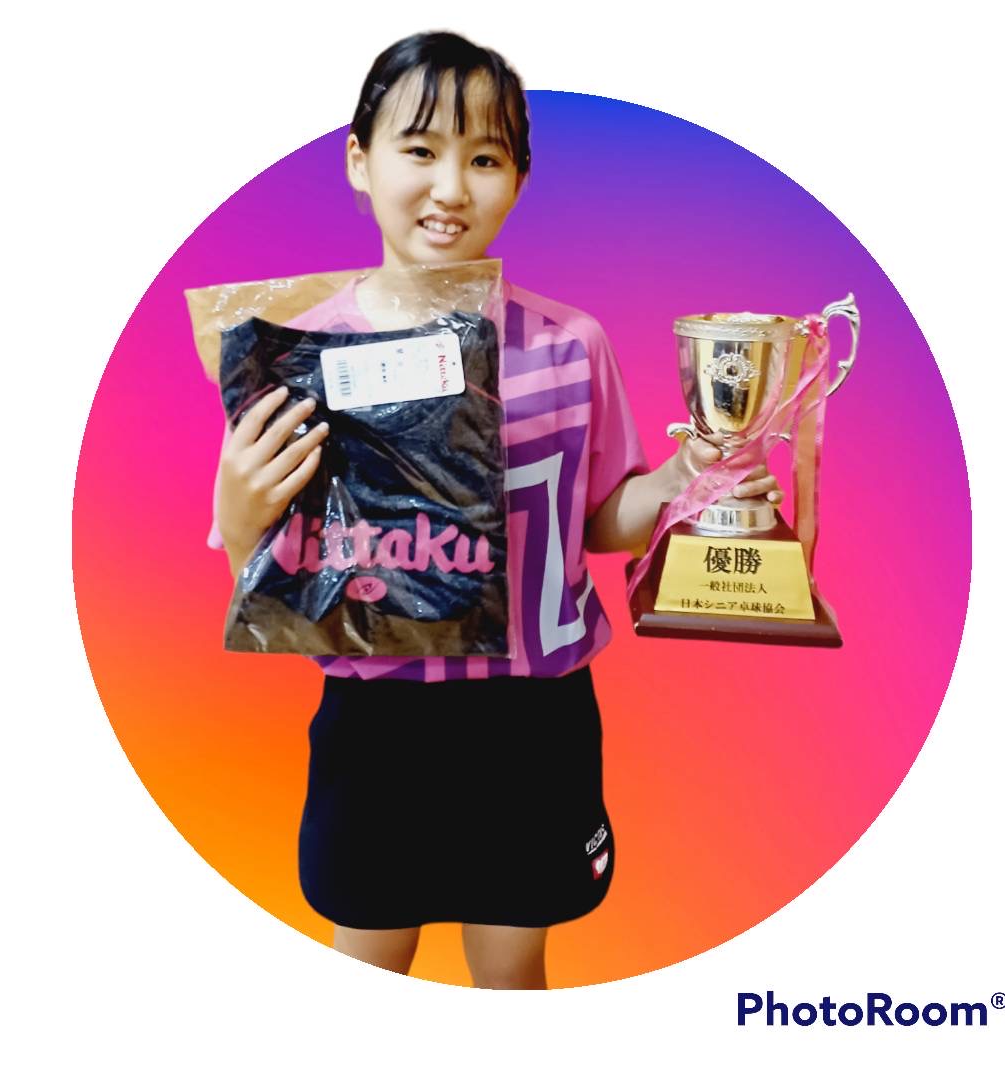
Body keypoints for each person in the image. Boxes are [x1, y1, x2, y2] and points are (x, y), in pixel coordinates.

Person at [210, 30, 782, 989]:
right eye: (419, 149)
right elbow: (273, 577)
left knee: (513, 970)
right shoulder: (298, 355)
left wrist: (690, 480)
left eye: (484, 159)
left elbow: (597, 521)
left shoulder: (568, 345)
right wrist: (237, 508)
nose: (450, 186)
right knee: (370, 958)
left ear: (518, 179)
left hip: (534, 722)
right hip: (378, 720)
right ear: (359, 160)